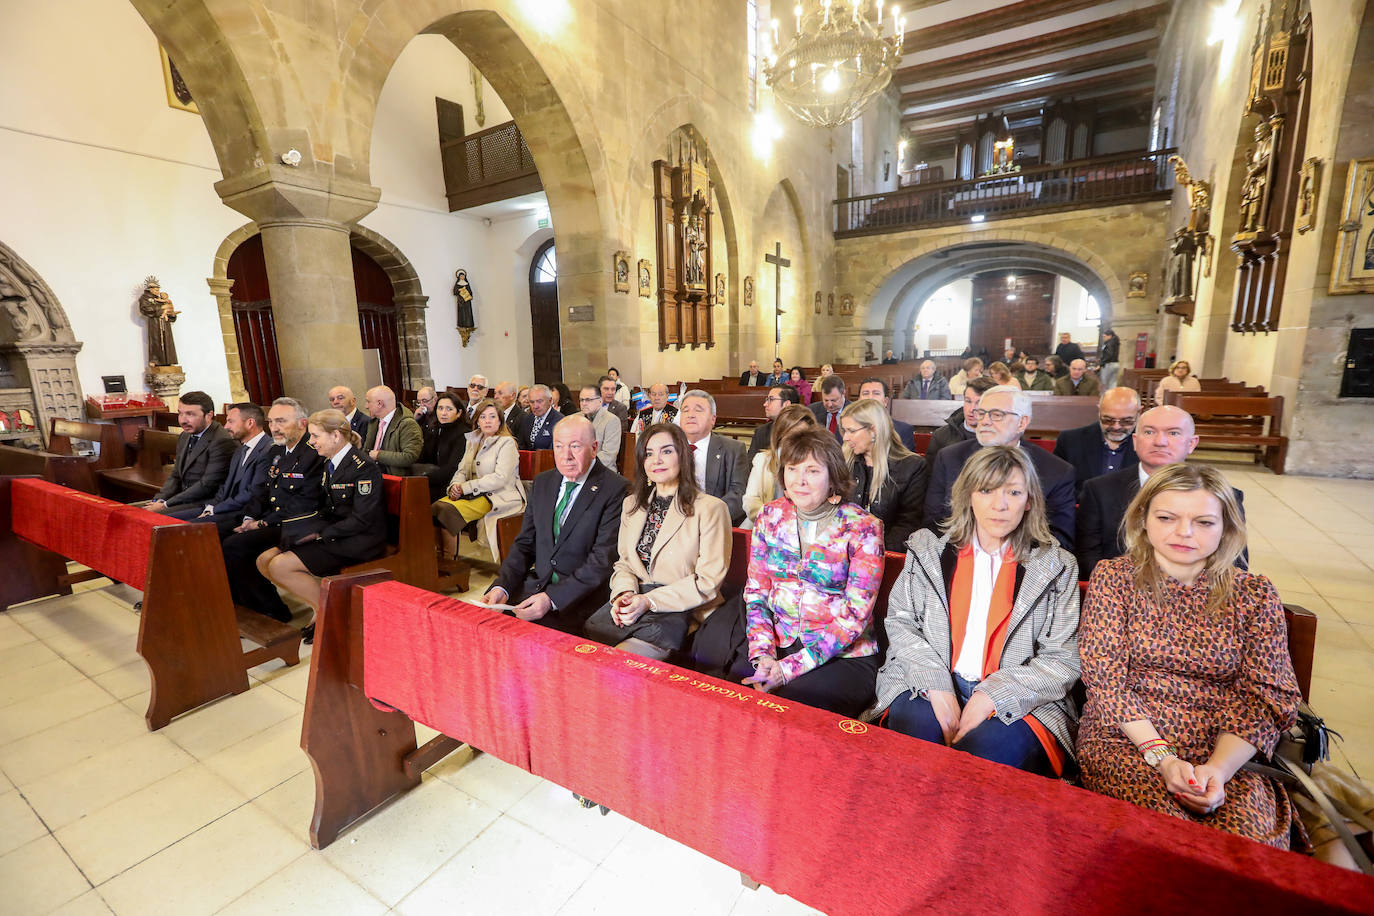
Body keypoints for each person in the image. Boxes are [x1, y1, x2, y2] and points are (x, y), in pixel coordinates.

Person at [1076, 464, 1301, 848]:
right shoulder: (1114, 578)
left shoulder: (1255, 594)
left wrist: (1217, 770)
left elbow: (1266, 696)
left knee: (1247, 846)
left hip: (1227, 748)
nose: (1184, 532)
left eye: (1203, 522)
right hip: (1128, 739)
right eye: (1167, 517)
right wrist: (1163, 759)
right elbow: (1105, 679)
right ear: (1143, 520)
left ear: (1226, 529)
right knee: (1162, 839)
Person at [875, 446, 1081, 776]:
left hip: (1023, 695)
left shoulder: (1057, 566)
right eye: (986, 490)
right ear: (968, 494)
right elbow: (901, 622)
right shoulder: (928, 549)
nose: (999, 505)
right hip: (929, 678)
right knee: (915, 750)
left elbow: (1062, 659)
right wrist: (935, 684)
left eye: (1013, 492)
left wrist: (991, 696)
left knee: (977, 760)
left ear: (1029, 500)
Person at [736, 427, 885, 717]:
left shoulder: (864, 526)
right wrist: (763, 654)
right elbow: (756, 594)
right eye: (792, 469)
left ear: (833, 477)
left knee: (791, 708)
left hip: (842, 654)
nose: (799, 481)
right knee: (733, 688)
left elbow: (854, 617)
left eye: (813, 471)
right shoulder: (770, 515)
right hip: (780, 641)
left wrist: (787, 669)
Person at [584, 423, 732, 660]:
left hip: (683, 609)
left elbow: (707, 582)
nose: (656, 460)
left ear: (682, 456)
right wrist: (625, 594)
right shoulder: (631, 505)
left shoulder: (711, 508)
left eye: (666, 451)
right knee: (589, 648)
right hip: (637, 604)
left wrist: (649, 601)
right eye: (649, 453)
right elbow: (624, 564)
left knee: (617, 665)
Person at [484, 416, 629, 633]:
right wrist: (502, 585)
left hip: (578, 598)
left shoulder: (616, 489)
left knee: (530, 640)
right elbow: (525, 544)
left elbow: (601, 562)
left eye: (575, 446)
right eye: (559, 446)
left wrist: (552, 599)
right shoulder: (543, 482)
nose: (565, 456)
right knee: (485, 623)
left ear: (594, 448)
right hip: (536, 586)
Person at [260, 408, 387, 643]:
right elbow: (328, 508)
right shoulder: (331, 463)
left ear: (336, 436)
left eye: (316, 436)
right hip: (339, 532)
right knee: (264, 560)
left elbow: (362, 519)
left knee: (280, 566)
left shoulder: (363, 467)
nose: (311, 442)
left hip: (361, 538)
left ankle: (330, 613)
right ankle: (321, 610)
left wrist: (320, 534)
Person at [1075, 405, 1246, 578]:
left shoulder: (1224, 496)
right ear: (1135, 441)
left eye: (1173, 433)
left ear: (1192, 443)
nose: (1160, 442)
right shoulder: (1099, 490)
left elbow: (1233, 561)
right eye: (1149, 432)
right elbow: (1087, 557)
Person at [925, 386, 1076, 551]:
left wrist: (1000, 552)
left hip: (1023, 565)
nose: (985, 421)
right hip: (957, 558)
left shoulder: (1056, 471)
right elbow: (934, 522)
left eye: (996, 415)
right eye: (981, 413)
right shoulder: (949, 458)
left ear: (1022, 422)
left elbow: (1060, 541)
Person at [218, 398, 323, 624]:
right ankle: (243, 603)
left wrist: (262, 523)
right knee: (218, 533)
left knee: (235, 545)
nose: (274, 427)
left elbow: (303, 502)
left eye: (281, 421)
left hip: (295, 523)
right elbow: (261, 491)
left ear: (302, 424)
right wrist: (249, 517)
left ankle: (272, 610)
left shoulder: (313, 453)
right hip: (271, 518)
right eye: (271, 421)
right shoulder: (276, 451)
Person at [431, 398, 523, 560]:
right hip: (474, 493)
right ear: (477, 420)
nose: (487, 421)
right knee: (436, 506)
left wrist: (465, 487)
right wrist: (455, 485)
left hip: (497, 495)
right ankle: (439, 557)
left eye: (492, 417)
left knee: (447, 509)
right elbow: (462, 469)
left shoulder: (506, 443)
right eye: (483, 417)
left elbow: (499, 479)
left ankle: (449, 558)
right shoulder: (473, 441)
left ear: (500, 420)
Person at [164, 402, 273, 533]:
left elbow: (251, 493)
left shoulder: (268, 450)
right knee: (165, 520)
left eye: (231, 422)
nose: (226, 427)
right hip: (222, 506)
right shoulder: (240, 449)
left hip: (242, 512)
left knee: (181, 529)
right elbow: (226, 485)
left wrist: (215, 510)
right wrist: (210, 507)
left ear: (250, 423)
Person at [840, 399, 928, 551]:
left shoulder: (912, 466)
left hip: (887, 553)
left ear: (873, 430)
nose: (845, 438)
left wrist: (874, 551)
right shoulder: (845, 461)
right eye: (844, 431)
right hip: (843, 551)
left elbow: (908, 523)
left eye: (851, 431)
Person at [144, 391, 238, 514]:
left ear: (209, 415)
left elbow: (207, 485)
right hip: (184, 498)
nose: (183, 420)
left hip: (205, 502)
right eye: (180, 413)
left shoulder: (222, 441)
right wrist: (160, 499)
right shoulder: (185, 435)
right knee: (136, 513)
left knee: (154, 517)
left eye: (190, 414)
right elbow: (176, 475)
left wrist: (167, 504)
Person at [677, 389, 748, 526]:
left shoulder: (733, 449)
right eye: (685, 410)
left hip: (714, 523)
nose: (690, 415)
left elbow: (738, 495)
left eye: (698, 410)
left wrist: (706, 516)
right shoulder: (669, 449)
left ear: (713, 419)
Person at [1053, 387, 1141, 491]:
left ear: (1139, 413)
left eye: (1126, 421)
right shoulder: (1070, 441)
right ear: (1099, 411)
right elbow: (1057, 486)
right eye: (1108, 420)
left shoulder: (1150, 444)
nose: (1116, 427)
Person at [742, 404, 816, 527]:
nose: (796, 441)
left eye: (802, 436)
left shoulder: (817, 464)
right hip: (765, 523)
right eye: (791, 435)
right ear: (780, 435)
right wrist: (776, 519)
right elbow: (750, 501)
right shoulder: (762, 460)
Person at [926, 377, 997, 465]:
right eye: (968, 401)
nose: (971, 409)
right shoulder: (941, 436)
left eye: (979, 403)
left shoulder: (1003, 436)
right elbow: (932, 475)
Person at [416, 391, 470, 502]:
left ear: (459, 413)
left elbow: (452, 468)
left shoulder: (463, 434)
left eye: (449, 409)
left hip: (452, 483)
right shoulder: (435, 430)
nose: (443, 413)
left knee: (417, 496)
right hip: (434, 479)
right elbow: (422, 457)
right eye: (440, 408)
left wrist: (424, 480)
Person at [362, 385, 423, 476]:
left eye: (368, 402)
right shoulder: (374, 422)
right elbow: (367, 453)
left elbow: (409, 457)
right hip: (373, 475)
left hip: (394, 479)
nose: (366, 406)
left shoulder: (407, 424)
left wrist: (379, 455)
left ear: (380, 403)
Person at [857, 377, 916, 451]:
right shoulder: (847, 427)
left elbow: (907, 460)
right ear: (858, 400)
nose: (870, 397)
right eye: (865, 393)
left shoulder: (903, 430)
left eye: (876, 393)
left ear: (885, 401)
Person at [747, 385, 800, 461]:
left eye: (771, 399)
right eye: (767, 399)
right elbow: (751, 462)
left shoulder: (803, 432)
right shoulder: (761, 432)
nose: (765, 404)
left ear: (786, 404)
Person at [580, 384, 622, 470]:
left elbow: (608, 455)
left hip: (602, 470)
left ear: (600, 401)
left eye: (588, 400)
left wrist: (583, 464)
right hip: (577, 468)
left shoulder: (611, 420)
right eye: (581, 400)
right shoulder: (574, 419)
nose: (584, 403)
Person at [514, 384, 563, 450]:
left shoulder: (560, 421)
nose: (535, 406)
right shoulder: (527, 419)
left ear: (550, 400)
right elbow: (521, 445)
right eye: (532, 402)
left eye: (539, 401)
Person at [809, 375, 848, 441]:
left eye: (833, 400)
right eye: (826, 400)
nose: (829, 405)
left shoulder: (854, 412)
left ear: (843, 393)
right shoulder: (812, 411)